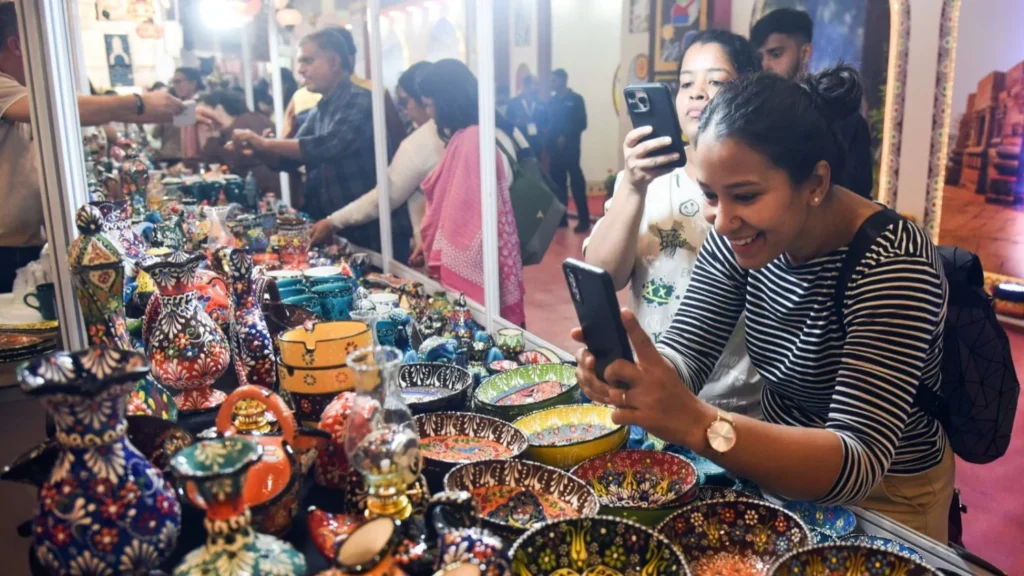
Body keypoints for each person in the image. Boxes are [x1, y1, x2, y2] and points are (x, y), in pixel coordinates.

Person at [574, 65, 954, 541]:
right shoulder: (738, 234)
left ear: (816, 183)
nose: (722, 220)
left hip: (889, 496)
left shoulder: (892, 262)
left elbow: (857, 460)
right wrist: (634, 372)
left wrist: (698, 423)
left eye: (746, 196)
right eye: (710, 195)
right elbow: (688, 353)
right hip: (778, 476)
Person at [584, 29, 763, 419]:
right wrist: (633, 186)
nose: (697, 93)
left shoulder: (761, 187)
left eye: (715, 81)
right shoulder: (643, 179)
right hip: (655, 388)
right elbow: (603, 276)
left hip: (740, 405)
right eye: (685, 83)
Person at [0, 3, 183, 292]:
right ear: (18, 45)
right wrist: (137, 103)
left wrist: (156, 110)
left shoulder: (21, 93)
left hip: (26, 245)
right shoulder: (12, 91)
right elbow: (59, 109)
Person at [229, 28, 412, 262]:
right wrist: (259, 149)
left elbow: (330, 145)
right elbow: (288, 160)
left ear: (334, 62)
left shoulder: (361, 99)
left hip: (371, 226)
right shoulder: (321, 108)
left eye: (308, 61)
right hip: (336, 226)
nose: (300, 69)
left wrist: (266, 143)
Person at [416, 59, 527, 325]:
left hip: (473, 269)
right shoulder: (468, 135)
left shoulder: (472, 139)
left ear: (446, 102)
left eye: (430, 105)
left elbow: (465, 222)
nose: (429, 114)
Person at [309, 62, 442, 262]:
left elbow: (386, 196)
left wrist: (332, 222)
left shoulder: (424, 140)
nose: (404, 109)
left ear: (425, 100)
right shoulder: (467, 131)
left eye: (405, 101)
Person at [751, 8, 873, 198]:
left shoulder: (843, 121)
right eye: (760, 58)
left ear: (805, 53)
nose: (765, 65)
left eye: (775, 54)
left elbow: (856, 199)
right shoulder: (752, 119)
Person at [197, 90, 279, 194]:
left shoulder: (245, 124)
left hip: (266, 190)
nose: (201, 120)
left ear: (218, 109)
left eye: (204, 114)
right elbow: (206, 161)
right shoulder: (249, 120)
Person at [547, 69, 589, 232]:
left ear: (563, 80)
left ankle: (584, 220)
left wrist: (565, 135)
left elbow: (582, 123)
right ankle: (561, 219)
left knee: (576, 183)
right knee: (558, 185)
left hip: (571, 149)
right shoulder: (552, 101)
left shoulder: (576, 99)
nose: (552, 83)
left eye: (554, 80)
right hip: (555, 151)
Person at [154, 67, 203, 162]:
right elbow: (156, 133)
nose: (175, 86)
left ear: (193, 84)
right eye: (174, 82)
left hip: (192, 159)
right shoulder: (172, 106)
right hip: (170, 157)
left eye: (178, 81)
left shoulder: (201, 105)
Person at [506, 74, 546, 152]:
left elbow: (546, 122)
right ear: (526, 86)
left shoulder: (542, 103)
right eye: (536, 85)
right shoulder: (513, 103)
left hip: (537, 143)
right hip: (519, 142)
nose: (538, 88)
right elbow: (507, 123)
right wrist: (517, 122)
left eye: (539, 85)